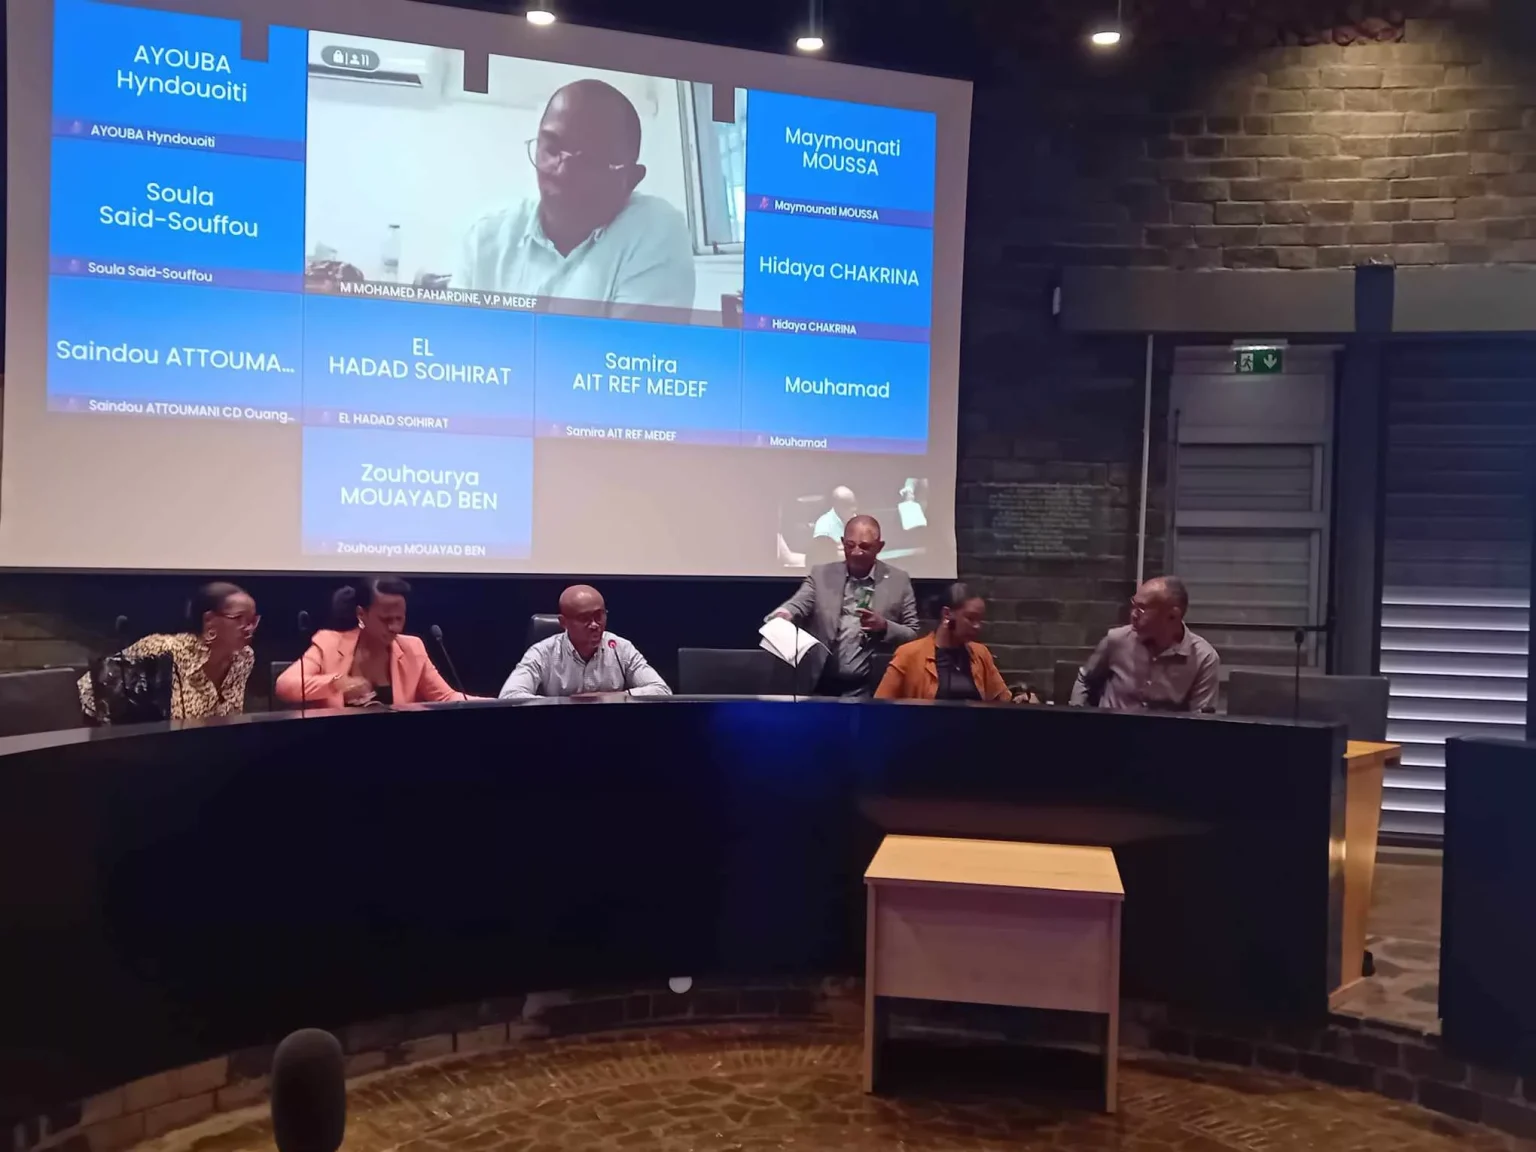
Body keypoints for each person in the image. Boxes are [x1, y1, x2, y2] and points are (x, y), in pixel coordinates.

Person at [455, 79, 695, 312]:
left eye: (590, 159)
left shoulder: (655, 231)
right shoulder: (486, 239)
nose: (562, 171)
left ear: (631, 179)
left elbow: (630, 341)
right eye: (552, 149)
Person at [769, 515, 919, 698]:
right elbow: (798, 603)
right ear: (842, 542)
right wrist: (785, 613)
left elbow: (913, 634)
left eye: (864, 546)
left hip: (870, 689)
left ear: (879, 547)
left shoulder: (898, 581)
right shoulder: (821, 574)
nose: (856, 552)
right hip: (821, 686)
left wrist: (885, 626)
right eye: (850, 545)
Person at [275, 577, 470, 709]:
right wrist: (337, 683)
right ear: (361, 614)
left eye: (399, 618)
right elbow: (285, 685)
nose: (394, 627)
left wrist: (489, 704)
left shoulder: (412, 648)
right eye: (386, 619)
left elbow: (446, 697)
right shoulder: (329, 643)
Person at [78, 582, 257, 722]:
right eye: (239, 619)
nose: (249, 628)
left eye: (252, 621)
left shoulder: (244, 658)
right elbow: (92, 688)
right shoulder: (163, 650)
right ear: (209, 620)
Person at [1071, 575, 1221, 713]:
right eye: (1133, 605)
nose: (1133, 615)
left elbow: (1200, 719)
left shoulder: (1203, 658)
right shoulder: (1117, 639)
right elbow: (1085, 679)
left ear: (1172, 615)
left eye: (1142, 609)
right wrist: (1076, 718)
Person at [500, 584, 671, 699]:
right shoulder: (543, 653)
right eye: (584, 618)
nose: (595, 625)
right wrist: (565, 704)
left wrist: (610, 697)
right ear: (563, 623)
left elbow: (662, 691)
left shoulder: (620, 648)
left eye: (599, 616)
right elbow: (510, 696)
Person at [876, 584, 1010, 702]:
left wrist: (1018, 698)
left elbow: (1003, 700)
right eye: (970, 618)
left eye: (979, 620)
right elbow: (880, 708)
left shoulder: (981, 654)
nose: (977, 626)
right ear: (947, 614)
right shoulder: (909, 655)